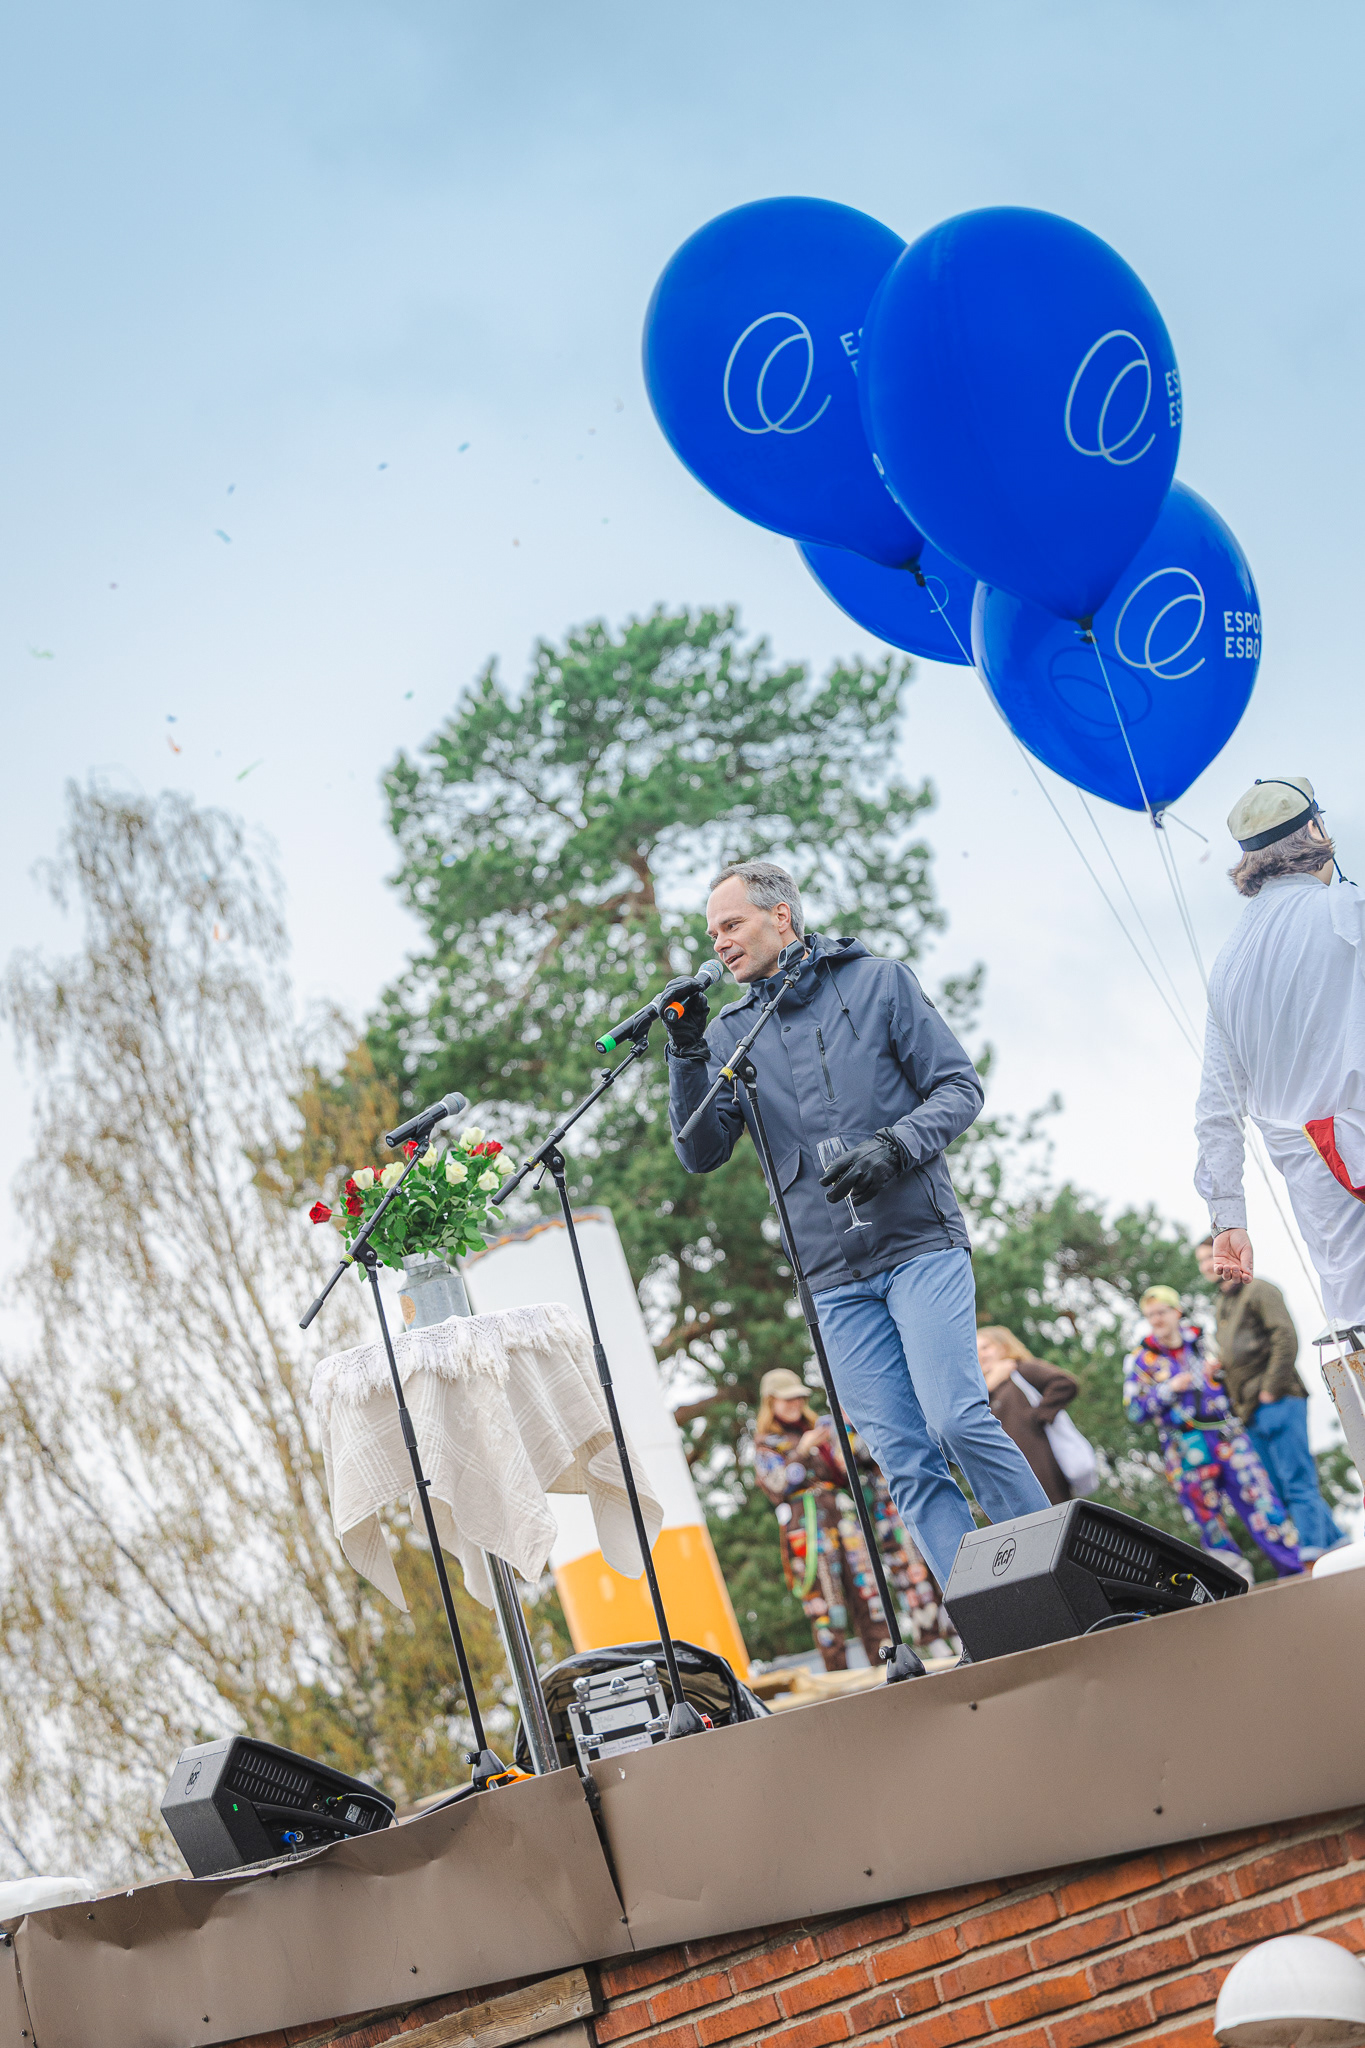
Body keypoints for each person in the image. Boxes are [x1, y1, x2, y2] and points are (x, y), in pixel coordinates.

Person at [666, 858, 1049, 1595]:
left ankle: (1053, 1580)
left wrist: (895, 1146)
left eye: (731, 924)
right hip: (831, 1278)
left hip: (918, 1244)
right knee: (903, 1458)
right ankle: (990, 1611)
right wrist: (686, 1056)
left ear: (780, 917)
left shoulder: (879, 983)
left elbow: (959, 1087)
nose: (719, 943)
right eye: (712, 933)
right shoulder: (730, 1034)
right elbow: (700, 1151)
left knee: (956, 1421)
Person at [1195, 777, 1365, 1346]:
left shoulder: (1227, 967)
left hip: (1319, 1194)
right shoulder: (1349, 910)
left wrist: (1228, 1217)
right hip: (1347, 1153)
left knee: (1353, 1326)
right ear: (1315, 829)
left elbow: (1216, 1110)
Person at [751, 1368, 950, 1669]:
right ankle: (838, 1674)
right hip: (807, 1523)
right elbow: (776, 1485)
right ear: (770, 1402)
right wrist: (802, 1451)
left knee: (869, 1593)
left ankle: (885, 1664)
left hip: (843, 1516)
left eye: (798, 1397)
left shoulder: (821, 1428)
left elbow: (849, 1470)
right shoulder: (766, 1444)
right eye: (787, 1399)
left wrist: (838, 1454)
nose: (795, 1404)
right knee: (826, 1602)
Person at [1123, 1284, 1301, 1581]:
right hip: (1184, 1447)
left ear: (1177, 1311)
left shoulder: (1203, 1341)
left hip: (1226, 1436)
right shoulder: (1141, 1359)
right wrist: (1168, 1388)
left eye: (1162, 1312)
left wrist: (1218, 1373)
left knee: (1261, 1500)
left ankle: (1294, 1570)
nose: (1156, 1319)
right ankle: (1235, 1583)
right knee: (1207, 1519)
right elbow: (1134, 1411)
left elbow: (1233, 1376)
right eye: (1150, 1315)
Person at [1193, 1239, 1344, 1560]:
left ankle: (1313, 1553)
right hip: (1249, 1410)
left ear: (1228, 1257)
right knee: (1278, 1486)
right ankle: (1337, 1542)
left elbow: (1285, 1337)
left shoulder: (1259, 1289)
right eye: (1202, 1260)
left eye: (1211, 1257)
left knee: (1297, 1479)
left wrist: (1271, 1389)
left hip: (1278, 1399)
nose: (1207, 1265)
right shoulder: (1222, 1304)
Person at [976, 1326, 1082, 1506]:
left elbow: (1064, 1384)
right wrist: (989, 1386)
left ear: (1004, 1347)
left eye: (986, 1347)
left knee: (1053, 1516)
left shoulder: (1021, 1370)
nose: (981, 1354)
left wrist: (1036, 1418)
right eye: (976, 1350)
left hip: (1040, 1470)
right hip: (1002, 1482)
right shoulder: (981, 1393)